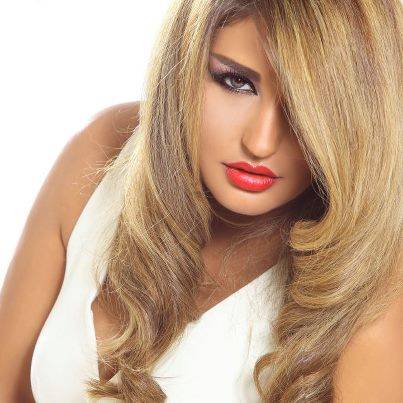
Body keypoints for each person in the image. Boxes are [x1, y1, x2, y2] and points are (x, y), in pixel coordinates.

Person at [1, 0, 402, 401]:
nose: (260, 143)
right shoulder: (105, 150)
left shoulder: (376, 292)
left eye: (308, 102)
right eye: (235, 82)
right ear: (186, 58)